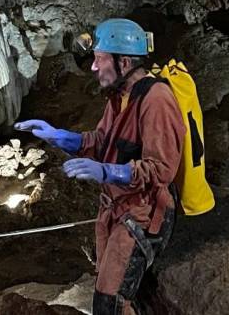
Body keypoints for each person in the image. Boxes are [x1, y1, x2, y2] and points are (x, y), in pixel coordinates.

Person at [16, 18, 184, 315]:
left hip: (144, 212)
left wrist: (108, 172)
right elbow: (102, 141)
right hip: (116, 207)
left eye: (100, 59)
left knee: (110, 302)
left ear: (125, 62)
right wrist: (60, 136)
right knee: (110, 292)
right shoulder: (119, 97)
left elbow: (162, 169)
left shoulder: (156, 99)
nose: (93, 68)